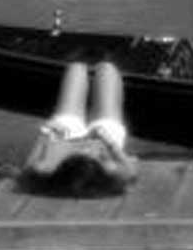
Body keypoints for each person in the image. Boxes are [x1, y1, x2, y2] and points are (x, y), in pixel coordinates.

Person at [21, 60, 138, 197]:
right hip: (102, 140)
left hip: (64, 136)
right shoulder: (113, 172)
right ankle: (100, 59)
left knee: (76, 69)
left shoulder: (43, 169)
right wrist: (107, 140)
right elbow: (130, 170)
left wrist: (48, 132)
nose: (83, 151)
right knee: (107, 70)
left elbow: (32, 160)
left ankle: (85, 58)